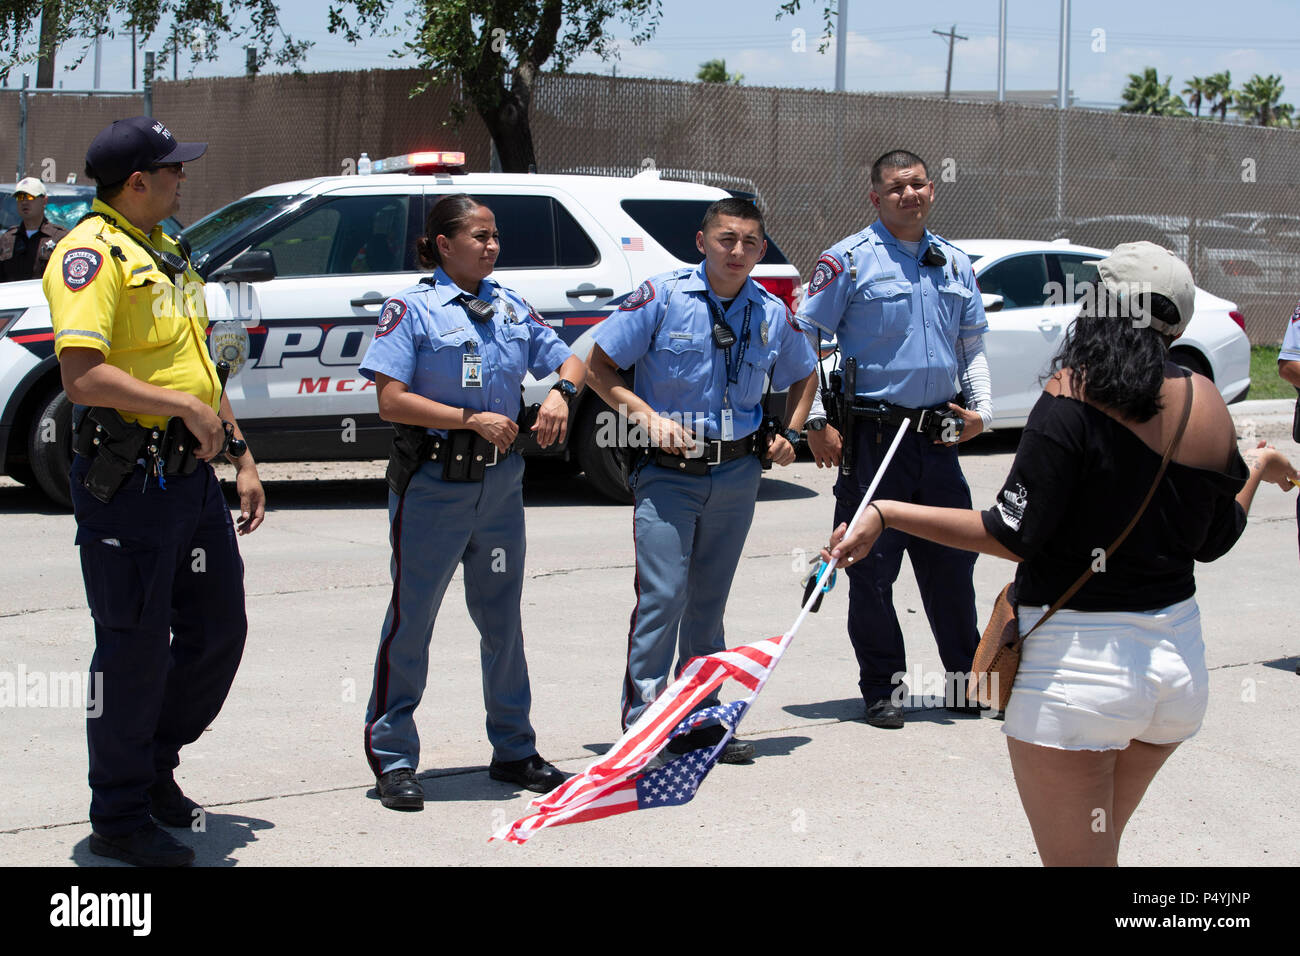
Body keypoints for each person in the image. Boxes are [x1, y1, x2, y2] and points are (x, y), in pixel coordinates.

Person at [824, 241, 1298, 865]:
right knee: (1096, 850)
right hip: (1176, 674)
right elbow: (1213, 542)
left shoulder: (1070, 393)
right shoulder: (1205, 399)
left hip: (1079, 680)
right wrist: (1257, 467)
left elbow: (1011, 534)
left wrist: (886, 513)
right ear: (1176, 323)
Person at [45, 116, 265, 867]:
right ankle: (119, 813)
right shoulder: (89, 255)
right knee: (133, 652)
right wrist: (186, 410)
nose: (183, 178)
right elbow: (82, 378)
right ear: (136, 182)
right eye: (171, 170)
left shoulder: (166, 248)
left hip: (190, 478)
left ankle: (152, 766)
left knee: (217, 634)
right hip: (129, 483)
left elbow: (199, 366)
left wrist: (239, 454)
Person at [359, 193, 587, 811]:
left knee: (502, 620)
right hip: (434, 484)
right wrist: (468, 419)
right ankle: (394, 757)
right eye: (478, 235)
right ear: (442, 243)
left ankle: (514, 748)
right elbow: (390, 399)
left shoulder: (509, 304)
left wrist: (563, 390)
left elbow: (569, 355)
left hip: (501, 487)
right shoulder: (412, 309)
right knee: (413, 620)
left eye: (495, 236)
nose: (490, 245)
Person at [586, 197, 818, 759]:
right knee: (662, 599)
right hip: (669, 476)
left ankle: (704, 720)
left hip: (738, 473)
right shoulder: (662, 298)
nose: (737, 252)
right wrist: (646, 419)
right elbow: (598, 366)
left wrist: (789, 429)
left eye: (749, 243)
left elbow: (805, 370)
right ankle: (644, 723)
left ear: (762, 249)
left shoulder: (769, 311)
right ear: (702, 242)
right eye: (726, 239)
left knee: (709, 604)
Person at [798, 149, 992, 728]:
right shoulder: (848, 262)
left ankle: (966, 681)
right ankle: (884, 687)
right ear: (875, 197)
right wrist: (812, 423)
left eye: (918, 185)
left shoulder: (954, 262)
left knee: (954, 566)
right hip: (874, 438)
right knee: (872, 569)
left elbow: (972, 344)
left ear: (932, 190)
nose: (909, 195)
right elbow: (803, 339)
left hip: (939, 437)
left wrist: (982, 410)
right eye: (896, 187)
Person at [1, 176, 68, 282]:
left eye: (30, 197)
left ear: (44, 201)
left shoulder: (61, 238)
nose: (24, 202)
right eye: (20, 197)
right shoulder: (7, 239)